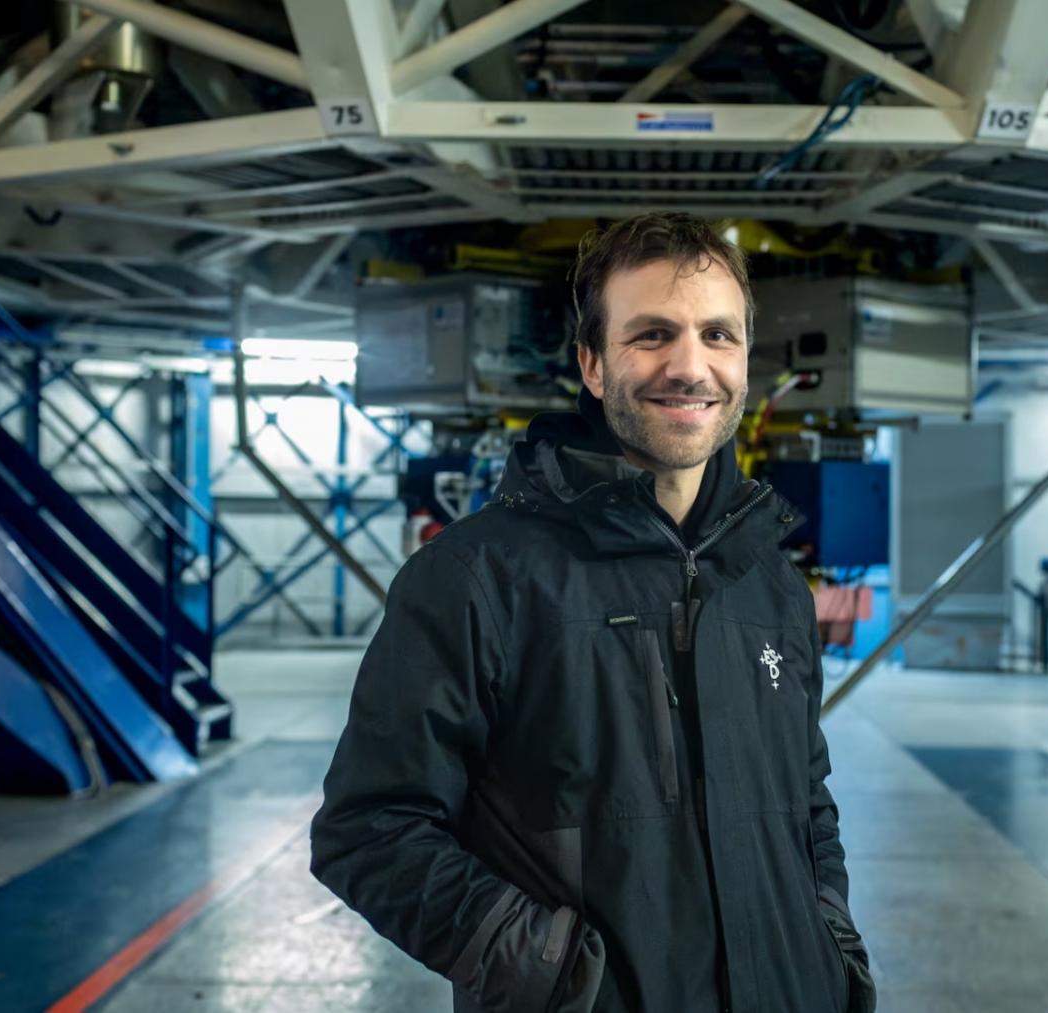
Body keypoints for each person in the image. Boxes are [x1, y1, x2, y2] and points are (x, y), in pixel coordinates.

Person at [310, 211, 875, 1012]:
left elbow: (807, 800)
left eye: (719, 335)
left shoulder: (769, 583)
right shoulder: (477, 576)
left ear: (745, 360)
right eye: (652, 335)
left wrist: (830, 943)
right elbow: (370, 827)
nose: (690, 366)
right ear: (593, 364)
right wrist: (557, 976)